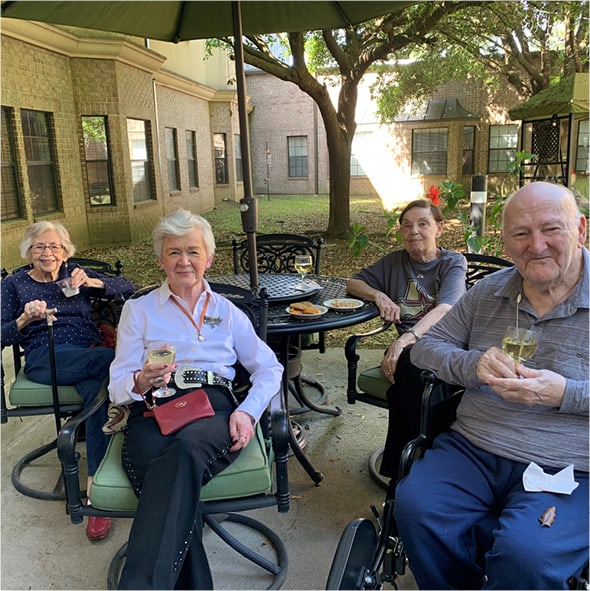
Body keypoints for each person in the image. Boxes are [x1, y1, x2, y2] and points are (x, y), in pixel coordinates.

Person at [396, 181, 589, 589]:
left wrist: (564, 394)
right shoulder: (489, 291)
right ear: (506, 242)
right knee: (415, 508)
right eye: (521, 233)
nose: (536, 245)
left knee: (527, 554)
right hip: (475, 448)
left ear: (581, 230)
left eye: (551, 229)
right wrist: (472, 364)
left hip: (571, 466)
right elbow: (425, 348)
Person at [108, 209, 283, 589]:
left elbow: (270, 369)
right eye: (173, 253)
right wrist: (140, 380)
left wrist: (247, 412)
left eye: (192, 252)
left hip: (212, 408)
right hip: (152, 409)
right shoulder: (137, 311)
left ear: (209, 259)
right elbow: (117, 383)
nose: (183, 261)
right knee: (168, 473)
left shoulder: (228, 312)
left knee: (186, 449)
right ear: (160, 260)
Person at [1, 221, 135, 541]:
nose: (48, 253)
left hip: (86, 355)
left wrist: (93, 281)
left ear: (65, 252)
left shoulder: (74, 273)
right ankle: (135, 412)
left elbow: (128, 286)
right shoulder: (14, 285)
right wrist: (24, 318)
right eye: (40, 247)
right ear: (29, 252)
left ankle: (93, 494)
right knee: (112, 361)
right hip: (45, 357)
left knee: (97, 400)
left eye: (54, 247)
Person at [346, 198, 467, 497]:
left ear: (439, 228)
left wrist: (405, 339)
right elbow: (352, 283)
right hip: (411, 357)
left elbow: (446, 309)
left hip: (447, 344)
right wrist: (379, 296)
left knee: (413, 373)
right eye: (407, 226)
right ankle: (419, 464)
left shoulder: (452, 262)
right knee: (417, 379)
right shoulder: (394, 262)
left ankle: (399, 476)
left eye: (423, 224)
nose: (414, 231)